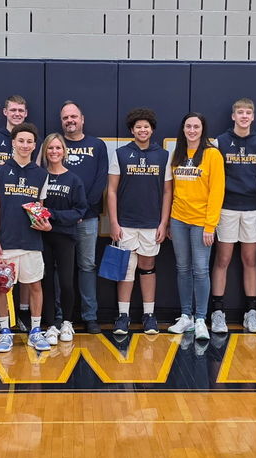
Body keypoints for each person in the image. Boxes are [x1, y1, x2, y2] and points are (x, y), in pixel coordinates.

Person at [108, 108, 172, 336]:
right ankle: (123, 316)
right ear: (132, 130)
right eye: (138, 127)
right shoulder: (121, 153)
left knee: (147, 267)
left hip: (151, 223)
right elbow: (112, 190)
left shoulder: (163, 155)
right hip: (125, 223)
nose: (142, 130)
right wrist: (113, 223)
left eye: (146, 126)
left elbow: (167, 192)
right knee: (125, 270)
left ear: (152, 129)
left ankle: (149, 315)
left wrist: (164, 223)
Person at [0, 123, 51, 352]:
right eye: (21, 141)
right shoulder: (1, 170)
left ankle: (35, 330)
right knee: (3, 288)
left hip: (32, 240)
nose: (25, 145)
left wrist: (44, 225)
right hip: (6, 239)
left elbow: (40, 209)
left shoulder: (41, 174)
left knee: (35, 285)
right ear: (13, 143)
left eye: (29, 142)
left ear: (35, 146)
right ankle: (5, 331)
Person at [166, 113, 225, 339]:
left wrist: (211, 225)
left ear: (203, 129)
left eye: (196, 126)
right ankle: (186, 317)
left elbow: (217, 192)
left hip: (202, 222)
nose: (192, 130)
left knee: (200, 270)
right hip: (179, 220)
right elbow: (174, 191)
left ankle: (201, 318)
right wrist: (171, 221)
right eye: (188, 126)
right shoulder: (178, 154)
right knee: (183, 269)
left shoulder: (212, 154)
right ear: (183, 129)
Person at [213, 98, 256, 333]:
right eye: (240, 112)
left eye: (248, 113)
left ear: (253, 117)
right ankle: (217, 312)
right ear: (233, 116)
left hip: (253, 208)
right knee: (222, 260)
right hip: (226, 208)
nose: (244, 116)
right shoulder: (221, 142)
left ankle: (251, 312)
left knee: (250, 261)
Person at [60, 101, 109, 334]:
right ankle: (60, 317)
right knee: (61, 268)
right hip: (59, 220)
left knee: (87, 266)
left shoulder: (97, 145)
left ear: (82, 119)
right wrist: (67, 215)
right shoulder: (55, 145)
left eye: (73, 117)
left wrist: (80, 211)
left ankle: (90, 316)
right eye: (65, 118)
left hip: (87, 218)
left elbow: (101, 181)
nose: (70, 121)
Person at [38, 133, 88, 345]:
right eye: (50, 148)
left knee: (66, 282)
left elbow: (79, 211)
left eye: (58, 148)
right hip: (41, 235)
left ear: (64, 151)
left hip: (65, 236)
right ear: (45, 151)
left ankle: (67, 322)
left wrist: (53, 216)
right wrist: (43, 219)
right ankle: (50, 325)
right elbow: (33, 207)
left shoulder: (74, 179)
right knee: (46, 281)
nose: (54, 152)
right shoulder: (38, 176)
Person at [0, 95, 39, 166]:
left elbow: (37, 171)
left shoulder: (36, 141)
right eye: (13, 110)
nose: (17, 114)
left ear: (25, 113)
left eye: (20, 110)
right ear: (5, 111)